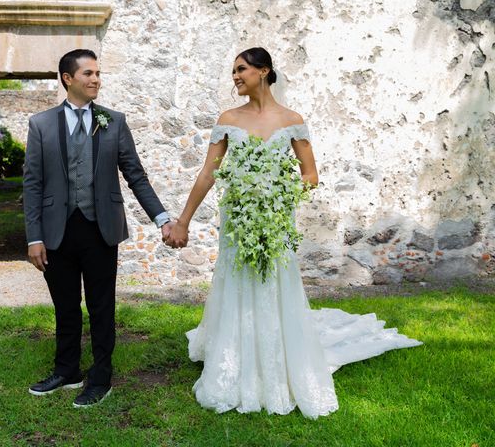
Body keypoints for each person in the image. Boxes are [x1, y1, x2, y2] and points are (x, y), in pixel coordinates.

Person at [166, 47, 422, 418]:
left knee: (273, 282)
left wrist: (276, 197)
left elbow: (310, 175)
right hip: (238, 220)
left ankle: (274, 358)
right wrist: (184, 220)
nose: (235, 77)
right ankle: (233, 357)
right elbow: (209, 172)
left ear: (263, 71)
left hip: (274, 219)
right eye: (233, 71)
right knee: (236, 279)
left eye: (241, 69)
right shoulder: (227, 119)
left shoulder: (291, 120)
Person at [23, 49, 174, 407]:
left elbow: (135, 175)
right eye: (88, 73)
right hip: (56, 230)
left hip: (100, 229)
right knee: (65, 305)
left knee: (101, 306)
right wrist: (34, 236)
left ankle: (101, 377)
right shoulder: (41, 124)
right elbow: (32, 183)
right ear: (67, 79)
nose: (96, 79)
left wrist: (162, 218)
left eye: (98, 73)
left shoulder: (114, 121)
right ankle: (67, 370)